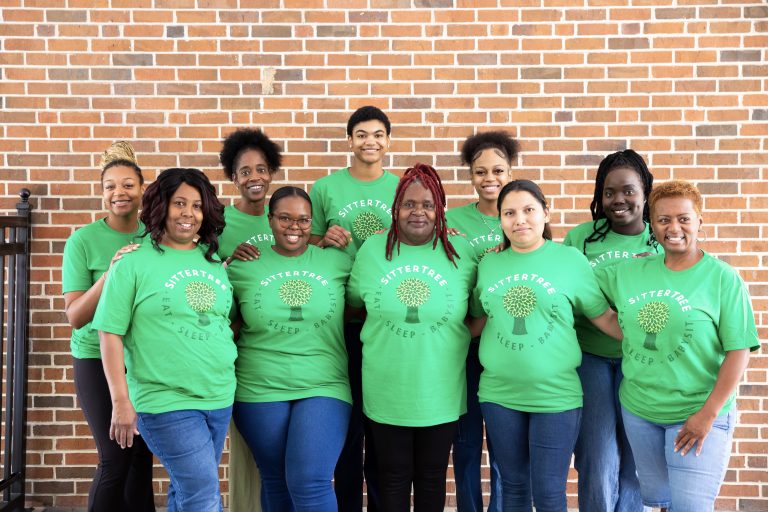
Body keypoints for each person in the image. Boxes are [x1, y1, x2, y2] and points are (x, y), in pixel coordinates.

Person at [596, 180, 759, 511]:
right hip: (640, 411)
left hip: (698, 413)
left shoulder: (723, 279)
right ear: (652, 224)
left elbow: (739, 351)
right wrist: (508, 249)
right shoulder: (628, 272)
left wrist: (708, 414)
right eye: (663, 219)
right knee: (661, 500)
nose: (674, 227)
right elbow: (572, 280)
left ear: (699, 221)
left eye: (684, 218)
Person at [469, 180, 623, 512]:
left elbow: (605, 319)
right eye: (509, 213)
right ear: (500, 220)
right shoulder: (489, 264)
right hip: (499, 394)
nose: (519, 220)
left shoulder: (570, 260)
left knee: (549, 492)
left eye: (528, 210)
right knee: (513, 486)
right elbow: (476, 322)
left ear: (545, 212)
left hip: (556, 396)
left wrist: (652, 340)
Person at [92, 168, 237, 512]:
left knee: (186, 491)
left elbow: (219, 322)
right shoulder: (133, 262)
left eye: (197, 206)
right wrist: (120, 400)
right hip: (164, 400)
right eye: (179, 203)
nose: (189, 214)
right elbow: (109, 332)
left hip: (218, 395)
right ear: (161, 207)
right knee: (202, 495)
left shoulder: (212, 262)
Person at [347, 163, 478, 512]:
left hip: (441, 390)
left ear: (440, 209)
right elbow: (354, 306)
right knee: (391, 477)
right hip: (386, 389)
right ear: (395, 208)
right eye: (409, 204)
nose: (418, 211)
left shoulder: (462, 253)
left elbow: (479, 315)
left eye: (427, 204)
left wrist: (455, 338)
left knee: (433, 478)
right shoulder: (372, 251)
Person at [228, 186, 353, 512]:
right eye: (285, 218)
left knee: (310, 481)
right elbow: (222, 323)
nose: (294, 226)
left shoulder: (337, 263)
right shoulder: (242, 266)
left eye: (303, 220)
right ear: (270, 220)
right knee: (275, 479)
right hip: (259, 385)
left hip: (324, 383)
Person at [310, 105, 399, 511]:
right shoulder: (325, 188)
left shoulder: (400, 187)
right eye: (362, 134)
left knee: (379, 425)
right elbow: (303, 242)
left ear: (387, 140)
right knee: (346, 430)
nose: (370, 141)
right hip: (340, 320)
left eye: (378, 134)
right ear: (349, 140)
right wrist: (323, 237)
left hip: (385, 321)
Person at [563, 149, 658, 512]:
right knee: (597, 453)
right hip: (589, 357)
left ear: (645, 192)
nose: (619, 199)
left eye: (628, 190)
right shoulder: (580, 239)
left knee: (637, 455)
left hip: (643, 362)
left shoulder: (659, 240)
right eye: (609, 192)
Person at [62, 142, 155, 512]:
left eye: (128, 184)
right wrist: (110, 274)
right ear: (102, 193)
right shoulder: (83, 241)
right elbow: (75, 316)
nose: (120, 193)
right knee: (115, 459)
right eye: (111, 186)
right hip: (95, 357)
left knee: (141, 463)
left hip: (143, 359)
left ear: (142, 190)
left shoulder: (155, 236)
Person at [446, 131, 518, 512]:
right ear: (470, 175)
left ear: (510, 170)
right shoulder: (450, 220)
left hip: (509, 346)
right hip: (465, 344)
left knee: (505, 443)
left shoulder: (523, 216)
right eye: (480, 171)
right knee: (468, 440)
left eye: (498, 170)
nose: (489, 178)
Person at [218, 128, 283, 512]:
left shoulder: (284, 217)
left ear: (271, 172)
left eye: (261, 169)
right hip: (236, 344)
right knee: (247, 444)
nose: (254, 177)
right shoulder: (219, 222)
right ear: (233, 177)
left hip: (278, 345)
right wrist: (227, 263)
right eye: (245, 171)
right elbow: (204, 272)